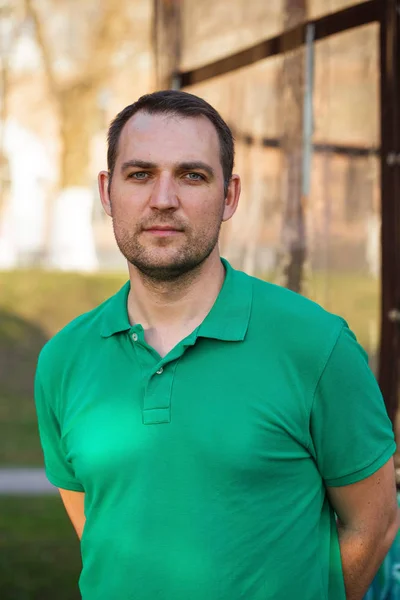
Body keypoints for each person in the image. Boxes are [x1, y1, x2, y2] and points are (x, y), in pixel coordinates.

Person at [34, 90, 398, 600]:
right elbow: (98, 523)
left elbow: (374, 526)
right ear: (106, 191)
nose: (163, 199)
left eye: (191, 175)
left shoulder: (317, 346)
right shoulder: (63, 360)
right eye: (139, 175)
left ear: (229, 196)